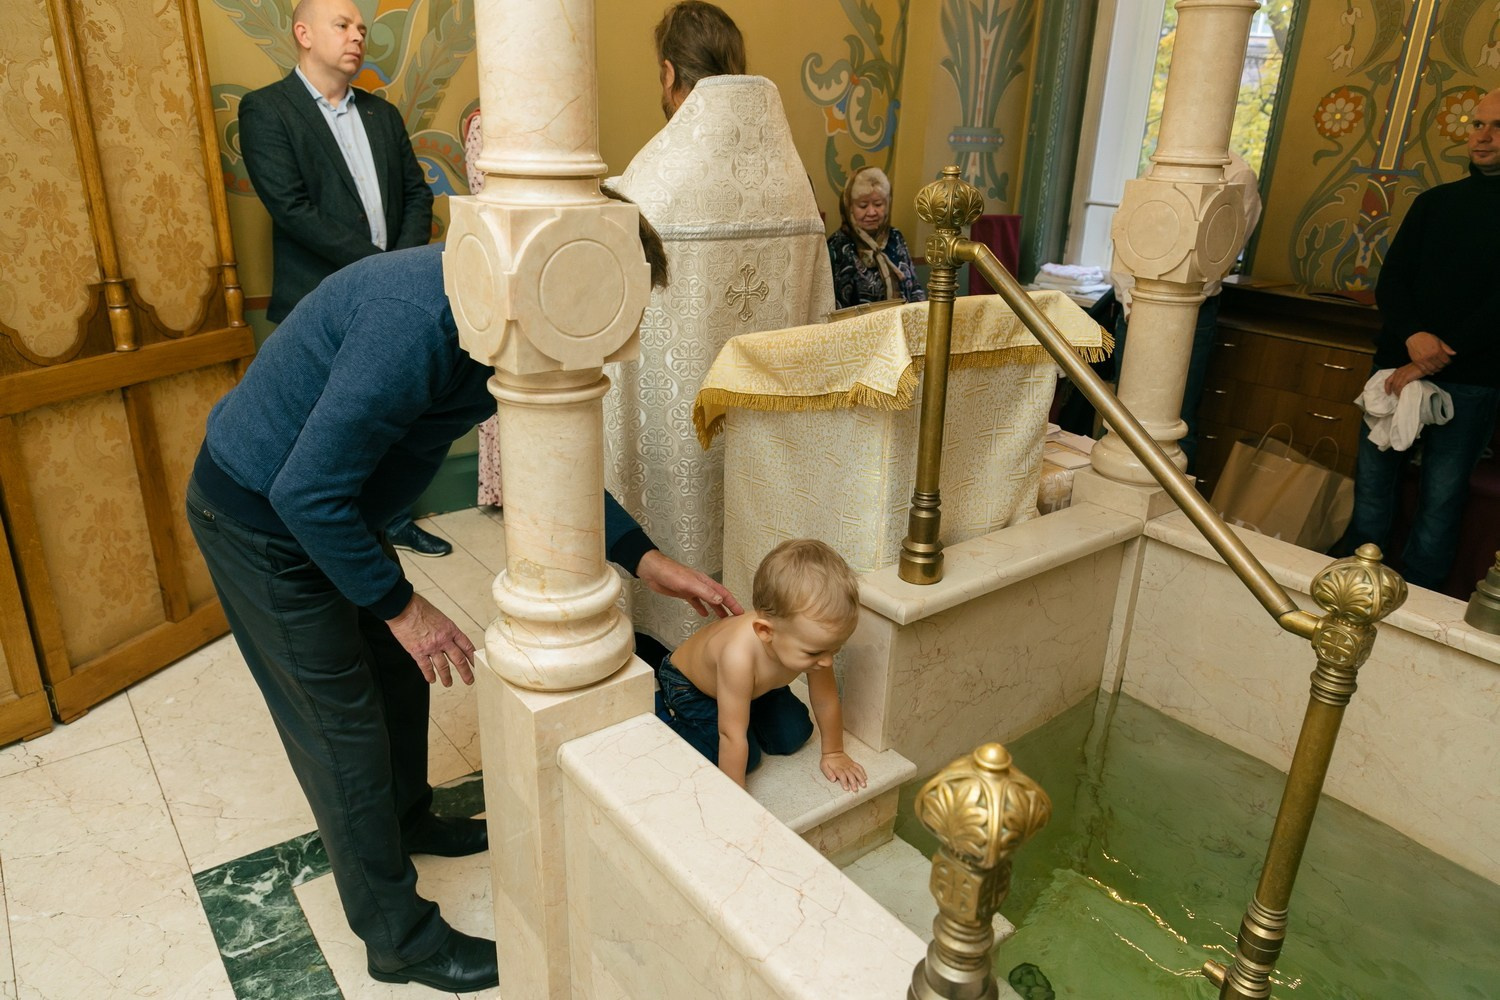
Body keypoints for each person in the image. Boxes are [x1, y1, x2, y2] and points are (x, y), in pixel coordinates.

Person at [185, 242, 739, 993]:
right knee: (340, 731)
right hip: (262, 524)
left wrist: (644, 558)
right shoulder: (413, 321)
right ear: (560, 280)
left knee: (398, 683)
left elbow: (537, 454)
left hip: (329, 511)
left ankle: (409, 820)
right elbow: (305, 492)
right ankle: (400, 942)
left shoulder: (504, 314)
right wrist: (403, 610)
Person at [605, 1, 837, 647]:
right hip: (765, 418)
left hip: (679, 428)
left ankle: (676, 641)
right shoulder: (789, 176)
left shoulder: (655, 180)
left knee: (679, 520)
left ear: (669, 71)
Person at [237, 0, 450, 557]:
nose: (358, 36)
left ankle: (391, 521)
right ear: (303, 34)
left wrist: (399, 269)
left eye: (362, 28)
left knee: (393, 417)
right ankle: (324, 536)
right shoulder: (267, 109)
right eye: (344, 25)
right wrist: (377, 270)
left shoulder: (383, 114)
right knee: (330, 432)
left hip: (394, 301)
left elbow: (415, 194)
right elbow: (292, 208)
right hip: (318, 304)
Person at [1334, 89, 1500, 589]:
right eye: (1477, 124)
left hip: (1472, 374)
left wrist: (1430, 358)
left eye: (1497, 127)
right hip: (1395, 364)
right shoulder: (1435, 202)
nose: (1483, 136)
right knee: (1373, 486)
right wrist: (1412, 338)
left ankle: (1419, 606)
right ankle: (1355, 589)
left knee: (1441, 498)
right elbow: (1392, 281)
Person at [657, 538, 868, 792]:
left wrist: (834, 752)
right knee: (744, 757)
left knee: (794, 733)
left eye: (835, 649)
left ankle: (743, 708)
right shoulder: (738, 657)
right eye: (815, 652)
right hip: (690, 687)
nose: (827, 660)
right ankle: (660, 714)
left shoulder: (813, 648)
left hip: (751, 690)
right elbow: (730, 736)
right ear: (765, 632)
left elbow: (825, 700)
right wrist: (736, 794)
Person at [1106, 150, 1262, 469]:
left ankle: (1171, 507)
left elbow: (1217, 258)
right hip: (1134, 308)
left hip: (1191, 311)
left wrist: (1168, 310)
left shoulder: (1238, 174)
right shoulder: (1155, 167)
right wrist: (1131, 301)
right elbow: (1125, 236)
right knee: (1121, 414)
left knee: (1174, 420)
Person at [827, 165, 927, 310]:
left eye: (878, 204)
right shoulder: (838, 246)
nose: (872, 212)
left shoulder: (895, 237)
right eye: (863, 205)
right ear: (850, 208)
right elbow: (835, 308)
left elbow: (915, 289)